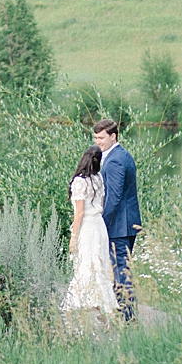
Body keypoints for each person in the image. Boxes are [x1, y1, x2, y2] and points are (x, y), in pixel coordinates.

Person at [59, 144, 118, 325]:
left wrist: (73, 237)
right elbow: (100, 203)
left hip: (87, 227)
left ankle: (75, 310)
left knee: (84, 265)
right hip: (99, 226)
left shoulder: (79, 181)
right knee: (98, 266)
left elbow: (80, 212)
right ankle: (104, 311)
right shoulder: (98, 178)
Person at [93, 117, 140, 320]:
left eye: (101, 138)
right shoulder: (120, 155)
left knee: (121, 271)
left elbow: (113, 197)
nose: (98, 142)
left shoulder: (115, 161)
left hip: (120, 226)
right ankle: (122, 312)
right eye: (95, 137)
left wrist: (100, 222)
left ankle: (127, 317)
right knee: (122, 270)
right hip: (126, 224)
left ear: (113, 136)